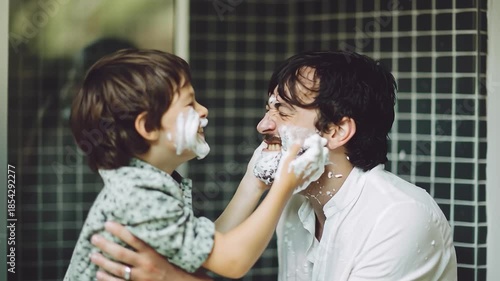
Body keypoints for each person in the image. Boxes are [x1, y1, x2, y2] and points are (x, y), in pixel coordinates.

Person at [90, 51, 458, 281]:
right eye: (269, 109)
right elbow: (212, 253)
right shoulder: (296, 204)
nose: (263, 126)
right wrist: (256, 182)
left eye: (282, 111)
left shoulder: (398, 217)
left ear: (336, 130)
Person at [64, 48, 327, 281]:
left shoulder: (150, 183)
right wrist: (284, 184)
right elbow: (232, 262)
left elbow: (205, 249)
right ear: (147, 127)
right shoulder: (138, 195)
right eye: (189, 103)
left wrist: (253, 182)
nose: (203, 110)